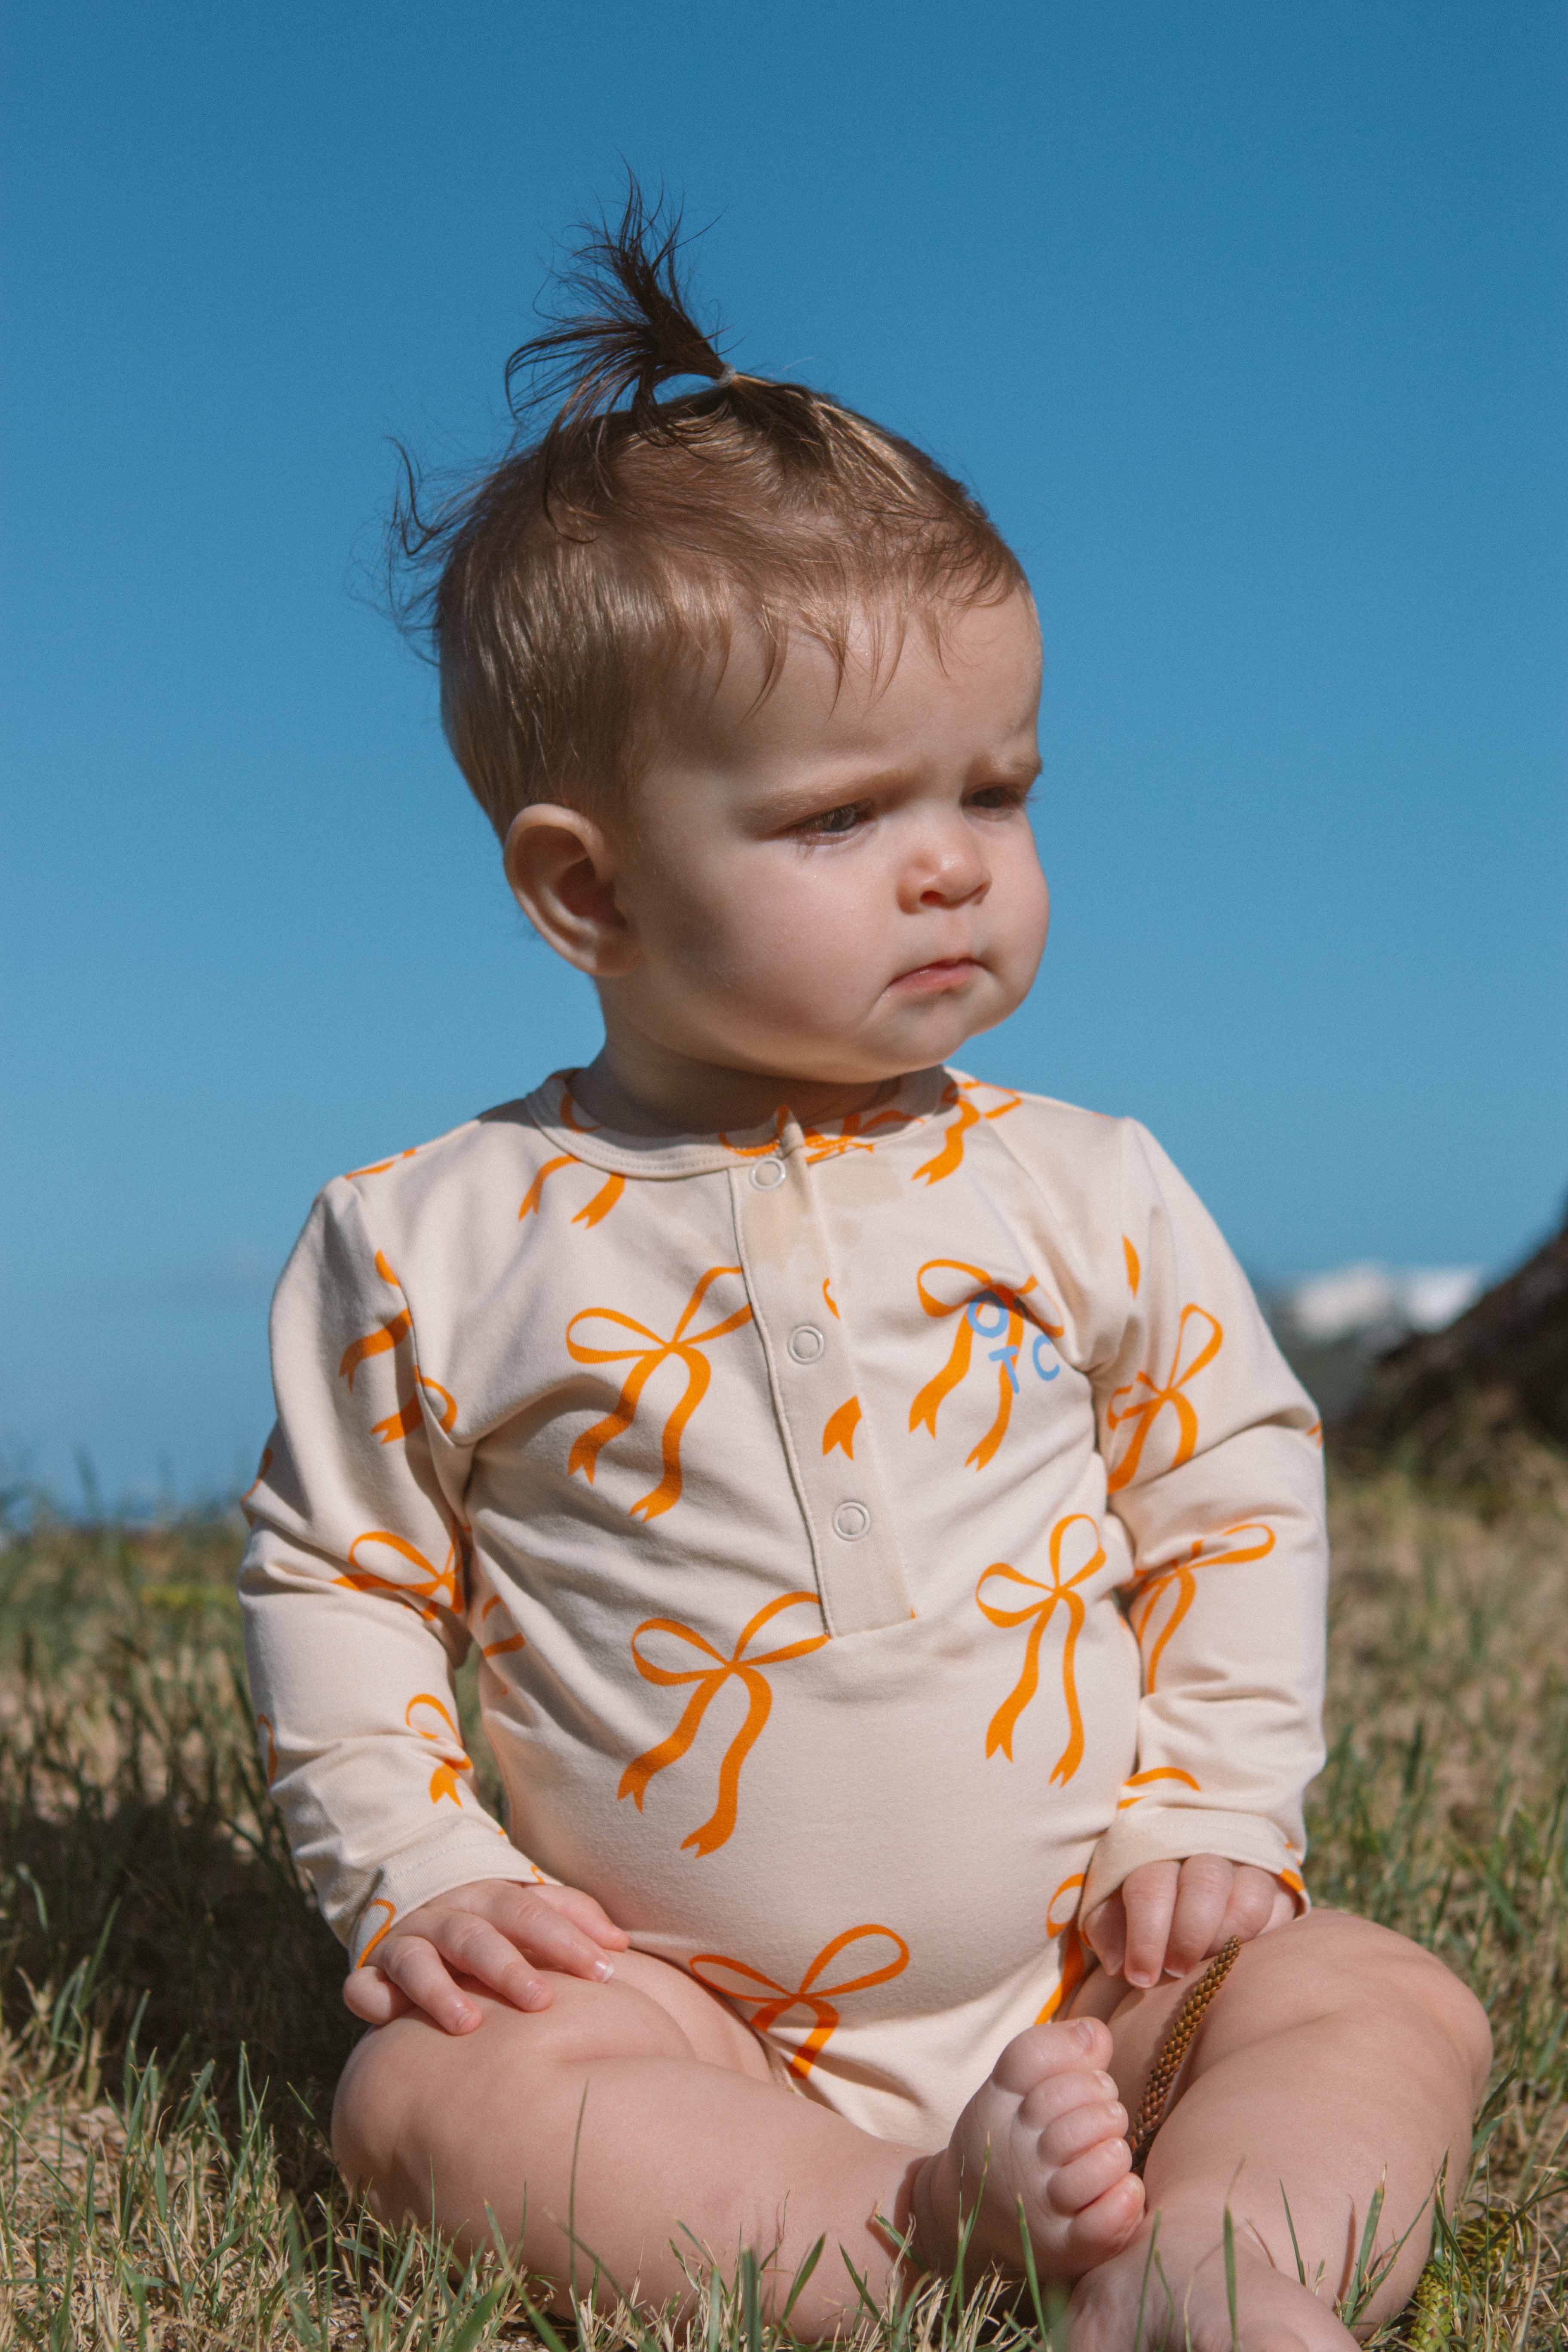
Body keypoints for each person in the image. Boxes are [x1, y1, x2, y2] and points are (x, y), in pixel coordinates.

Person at [239, 192, 1489, 2349]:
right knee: (426, 2101)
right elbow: (338, 1582)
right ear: (585, 890)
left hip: (1102, 1962)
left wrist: (1208, 1809)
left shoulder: (1083, 1183)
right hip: (685, 2013)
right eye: (841, 817)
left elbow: (1231, 1487)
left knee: (1382, 1997)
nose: (954, 863)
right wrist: (423, 1871)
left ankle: (1221, 2265)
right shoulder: (430, 1236)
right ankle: (915, 2231)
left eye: (997, 790)